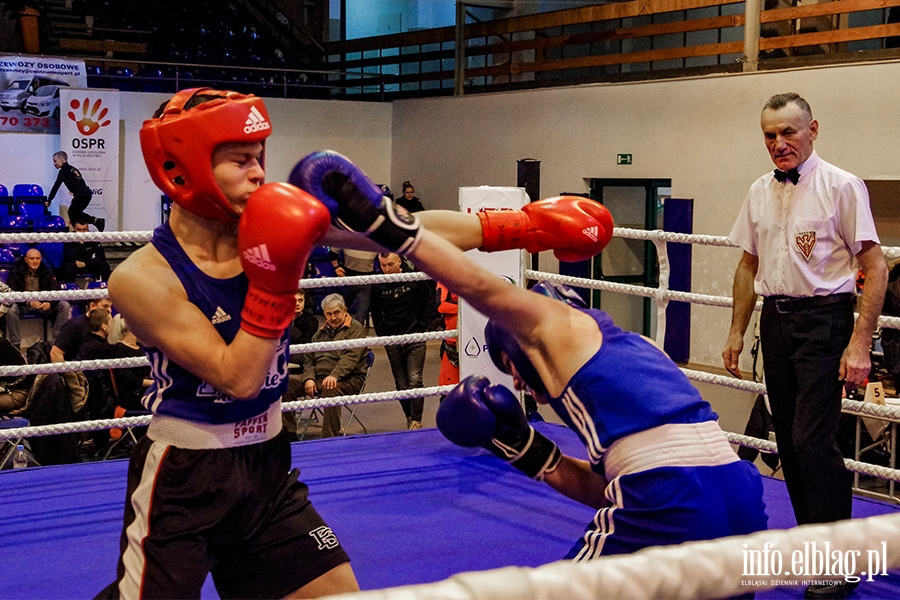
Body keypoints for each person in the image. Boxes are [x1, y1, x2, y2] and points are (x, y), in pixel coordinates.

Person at [290, 151, 768, 564]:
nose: (518, 385)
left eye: (512, 371)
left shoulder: (555, 328)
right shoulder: (637, 354)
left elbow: (475, 284)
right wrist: (526, 448)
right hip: (741, 497)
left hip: (667, 496)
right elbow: (609, 489)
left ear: (518, 350)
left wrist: (382, 220)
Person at [100, 87, 357, 599]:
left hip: (267, 468)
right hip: (187, 478)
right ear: (186, 167)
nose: (260, 172)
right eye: (241, 160)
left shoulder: (270, 225)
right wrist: (276, 278)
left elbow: (402, 236)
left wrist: (508, 228)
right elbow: (238, 376)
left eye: (260, 157)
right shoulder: (142, 277)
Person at [722, 93, 887, 598]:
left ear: (813, 129)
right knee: (789, 443)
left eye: (788, 132)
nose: (779, 144)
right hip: (776, 322)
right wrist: (736, 331)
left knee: (815, 441)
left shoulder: (842, 186)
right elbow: (748, 266)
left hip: (824, 324)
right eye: (770, 135)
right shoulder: (757, 190)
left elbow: (875, 267)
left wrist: (860, 344)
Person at [371, 252, 436, 430]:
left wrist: (420, 329)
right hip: (392, 338)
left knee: (415, 380)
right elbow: (375, 313)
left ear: (400, 261)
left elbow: (430, 303)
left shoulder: (415, 278)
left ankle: (416, 420)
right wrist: (383, 336)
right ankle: (409, 417)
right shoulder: (378, 284)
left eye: (390, 264)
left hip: (414, 336)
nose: (387, 269)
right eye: (383, 265)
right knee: (401, 383)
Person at [297, 293, 369, 438]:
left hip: (349, 379)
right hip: (320, 378)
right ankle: (289, 436)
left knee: (330, 387)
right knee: (286, 385)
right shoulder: (319, 335)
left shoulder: (356, 329)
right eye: (329, 314)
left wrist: (334, 375)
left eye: (337, 312)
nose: (333, 317)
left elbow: (351, 357)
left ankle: (329, 439)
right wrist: (309, 378)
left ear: (345, 310)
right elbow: (309, 360)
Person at [4, 248, 71, 351]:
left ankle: (56, 343)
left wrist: (50, 303)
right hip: (24, 305)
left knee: (64, 305)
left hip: (43, 305)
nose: (35, 261)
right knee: (11, 308)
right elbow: (11, 293)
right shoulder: (16, 271)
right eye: (32, 259)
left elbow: (56, 291)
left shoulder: (47, 271)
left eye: (37, 258)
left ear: (41, 259)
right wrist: (28, 303)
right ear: (26, 260)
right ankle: (15, 345)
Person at [47, 151, 104, 232]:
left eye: (55, 161)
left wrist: (49, 200)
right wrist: (74, 191)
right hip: (86, 194)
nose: (54, 163)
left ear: (63, 160)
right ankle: (93, 222)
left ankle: (95, 221)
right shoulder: (73, 169)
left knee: (72, 213)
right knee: (75, 213)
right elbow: (79, 183)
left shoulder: (64, 171)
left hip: (81, 195)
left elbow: (56, 186)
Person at [50, 296, 112, 363]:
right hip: (75, 369)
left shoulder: (107, 325)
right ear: (92, 306)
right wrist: (69, 373)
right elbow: (55, 353)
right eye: (105, 306)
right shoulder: (74, 325)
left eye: (110, 307)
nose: (110, 310)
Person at [331, 247, 378, 327]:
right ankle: (336, 335)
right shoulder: (347, 236)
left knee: (360, 317)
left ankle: (356, 336)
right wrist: (336, 267)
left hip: (366, 279)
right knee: (339, 312)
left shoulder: (375, 239)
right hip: (349, 277)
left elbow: (386, 255)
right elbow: (333, 252)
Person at [61, 217, 112, 283]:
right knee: (69, 265)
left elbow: (101, 256)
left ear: (88, 229)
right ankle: (69, 288)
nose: (82, 232)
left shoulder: (93, 238)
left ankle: (106, 287)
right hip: (75, 266)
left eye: (84, 230)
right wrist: (80, 244)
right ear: (74, 229)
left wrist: (86, 263)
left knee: (104, 265)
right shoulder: (69, 238)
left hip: (89, 265)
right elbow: (68, 256)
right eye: (79, 230)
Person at [435, 281, 459, 399]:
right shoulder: (445, 278)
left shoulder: (474, 275)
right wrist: (465, 308)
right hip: (451, 342)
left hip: (476, 337)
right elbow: (441, 305)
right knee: (448, 391)